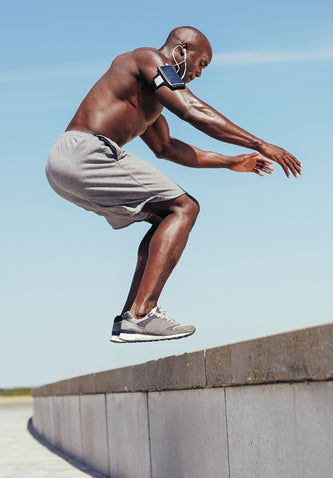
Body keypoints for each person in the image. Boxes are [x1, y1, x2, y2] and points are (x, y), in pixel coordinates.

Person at [46, 26, 302, 344]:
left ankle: (130, 318)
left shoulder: (151, 100)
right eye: (201, 64)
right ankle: (142, 315)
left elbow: (166, 148)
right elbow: (191, 109)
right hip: (86, 151)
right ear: (181, 50)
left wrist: (230, 161)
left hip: (64, 165)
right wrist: (261, 143)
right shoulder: (146, 59)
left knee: (164, 216)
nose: (198, 73)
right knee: (185, 207)